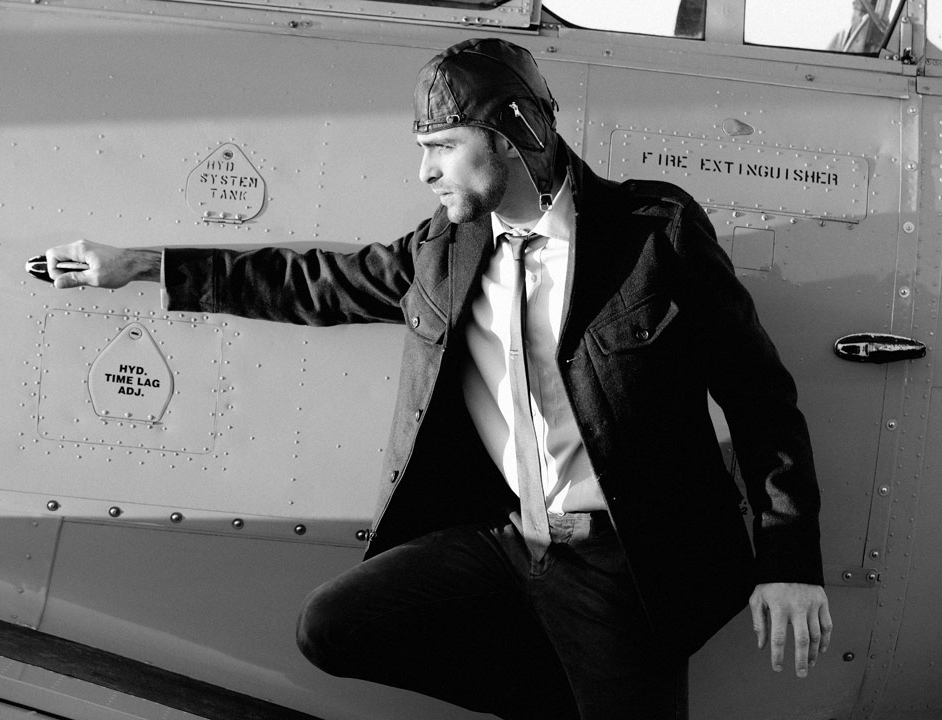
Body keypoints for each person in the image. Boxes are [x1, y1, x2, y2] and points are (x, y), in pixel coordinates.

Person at [44, 38, 831, 720]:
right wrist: (142, 266)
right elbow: (312, 281)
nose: (425, 171)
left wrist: (789, 564)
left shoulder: (653, 234)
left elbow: (759, 394)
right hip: (507, 547)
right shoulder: (442, 253)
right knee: (335, 625)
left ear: (516, 133)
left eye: (443, 145)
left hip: (624, 565)